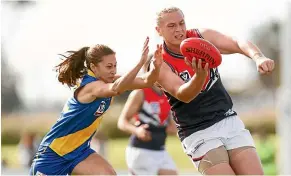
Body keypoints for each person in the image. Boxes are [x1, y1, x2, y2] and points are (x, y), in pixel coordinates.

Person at [146, 6, 275, 175]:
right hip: (197, 131)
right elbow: (183, 94)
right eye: (171, 26)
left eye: (181, 23)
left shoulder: (200, 37)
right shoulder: (159, 61)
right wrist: (200, 76)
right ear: (159, 30)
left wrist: (258, 57)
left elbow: (236, 42)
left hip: (227, 119)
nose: (179, 29)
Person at [29, 37, 163, 175]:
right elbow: (116, 88)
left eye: (115, 65)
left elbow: (146, 81)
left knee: (108, 174)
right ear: (93, 67)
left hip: (79, 152)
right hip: (53, 155)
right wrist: (140, 62)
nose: (113, 70)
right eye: (109, 67)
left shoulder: (109, 80)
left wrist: (156, 67)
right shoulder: (91, 86)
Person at [118, 57, 178, 175]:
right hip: (141, 151)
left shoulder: (169, 94)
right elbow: (122, 122)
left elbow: (171, 126)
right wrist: (137, 130)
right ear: (149, 70)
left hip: (160, 151)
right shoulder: (140, 93)